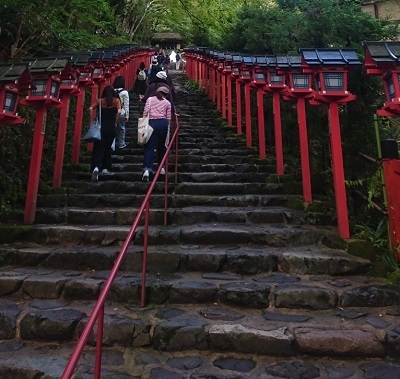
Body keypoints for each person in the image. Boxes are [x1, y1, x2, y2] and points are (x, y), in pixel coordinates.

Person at [88, 85, 121, 181]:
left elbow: (90, 108)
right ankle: (106, 167)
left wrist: (91, 121)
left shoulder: (100, 101)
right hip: (111, 126)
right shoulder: (116, 101)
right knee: (108, 147)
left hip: (100, 127)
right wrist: (116, 122)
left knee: (98, 148)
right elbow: (119, 111)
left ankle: (96, 167)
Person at [141, 86, 171, 181]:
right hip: (163, 124)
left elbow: (145, 113)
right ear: (165, 94)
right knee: (162, 147)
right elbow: (168, 118)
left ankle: (147, 170)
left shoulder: (149, 100)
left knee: (149, 147)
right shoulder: (167, 103)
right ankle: (162, 167)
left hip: (151, 123)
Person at [112, 76, 129, 149]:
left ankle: (112, 145)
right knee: (121, 128)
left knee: (112, 128)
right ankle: (121, 143)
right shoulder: (124, 92)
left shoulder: (111, 90)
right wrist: (127, 115)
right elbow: (126, 104)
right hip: (121, 112)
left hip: (112, 112)